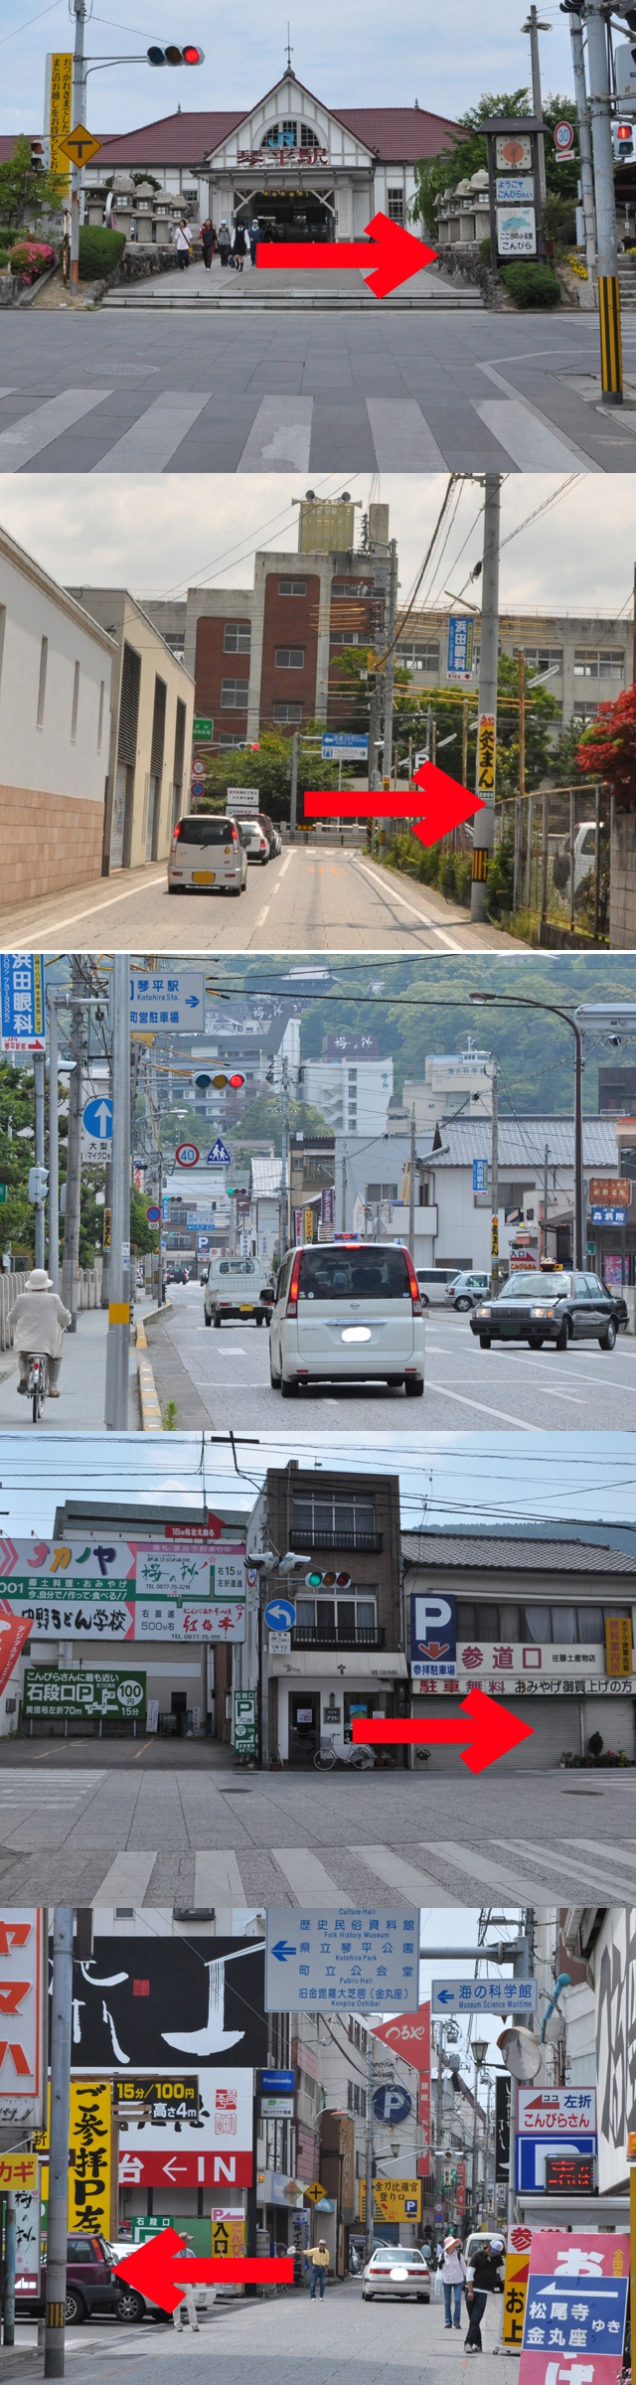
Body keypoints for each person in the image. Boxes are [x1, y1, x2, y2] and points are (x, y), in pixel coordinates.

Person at [8, 1268, 71, 1399]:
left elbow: (12, 1319)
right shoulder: (54, 1299)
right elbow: (65, 1319)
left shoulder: (21, 1299)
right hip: (48, 1342)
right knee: (55, 1357)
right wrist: (66, 1322)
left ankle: (24, 1374)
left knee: (23, 1356)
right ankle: (53, 1386)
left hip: (25, 1341)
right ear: (45, 1286)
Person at [464, 2235, 504, 2353]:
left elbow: (503, 2273)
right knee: (473, 2319)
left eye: (497, 2253)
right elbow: (469, 2273)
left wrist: (507, 2287)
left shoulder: (498, 2259)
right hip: (471, 2290)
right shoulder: (477, 2256)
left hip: (484, 2292)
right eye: (494, 2252)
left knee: (476, 2319)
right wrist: (470, 2291)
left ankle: (468, 2343)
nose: (495, 2255)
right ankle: (479, 2344)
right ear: (489, 2248)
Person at [441, 2233, 466, 2330]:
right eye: (451, 2244)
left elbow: (464, 2269)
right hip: (446, 2280)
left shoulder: (459, 2255)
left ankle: (456, 2322)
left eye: (454, 2244)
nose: (453, 2245)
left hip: (458, 2280)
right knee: (447, 2302)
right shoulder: (442, 2256)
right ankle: (448, 2321)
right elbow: (440, 2269)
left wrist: (468, 2281)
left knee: (457, 2300)